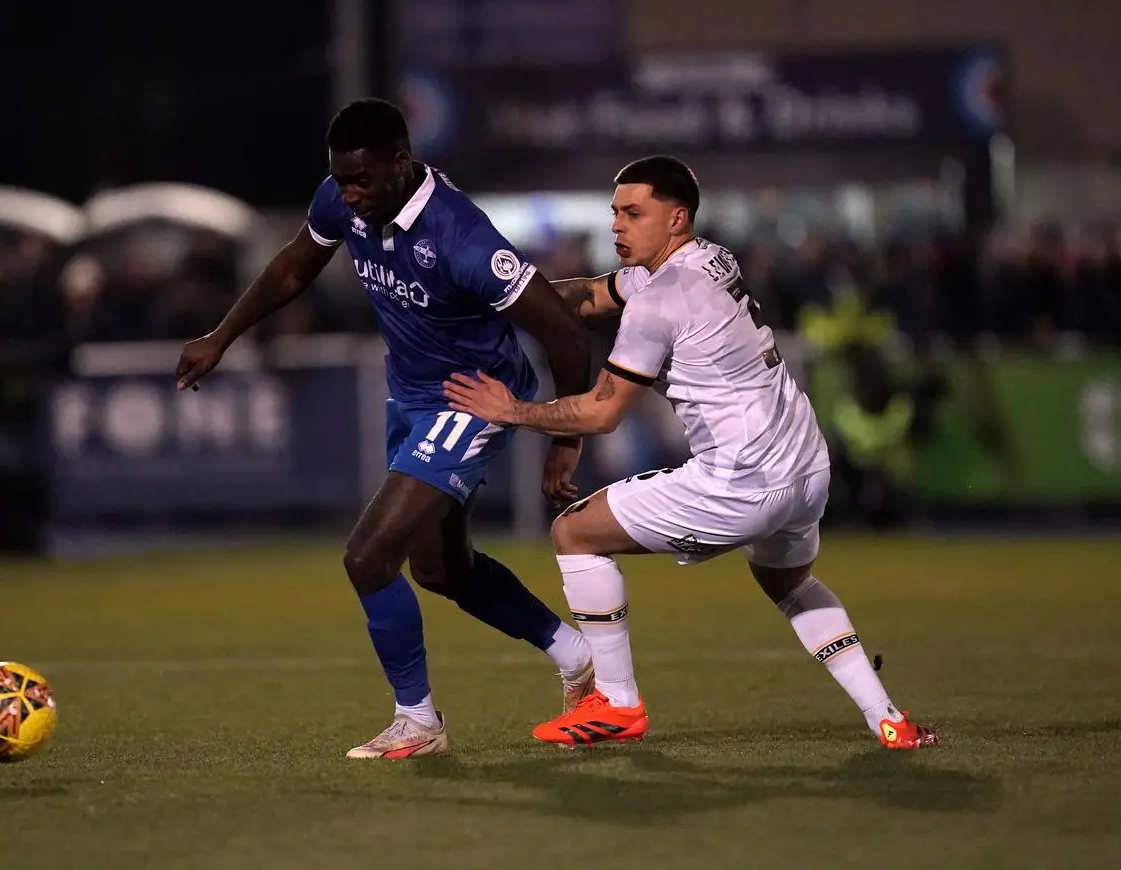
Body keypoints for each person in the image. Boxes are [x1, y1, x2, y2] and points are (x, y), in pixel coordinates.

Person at [443, 155, 938, 751]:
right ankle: (887, 717)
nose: (617, 226)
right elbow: (593, 296)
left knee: (574, 533)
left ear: (675, 218)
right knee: (789, 582)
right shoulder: (707, 259)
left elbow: (602, 411)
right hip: (806, 465)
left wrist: (511, 410)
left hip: (743, 480)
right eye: (614, 214)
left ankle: (618, 704)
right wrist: (505, 295)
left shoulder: (659, 299)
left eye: (633, 213)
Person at [175, 99, 595, 759]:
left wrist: (566, 434)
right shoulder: (345, 198)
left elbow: (566, 334)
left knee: (368, 556)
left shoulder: (462, 237)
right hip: (412, 398)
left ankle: (418, 721)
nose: (349, 195)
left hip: (471, 398)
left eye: (362, 181)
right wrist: (220, 336)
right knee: (439, 568)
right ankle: (578, 656)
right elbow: (292, 268)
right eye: (340, 180)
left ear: (401, 164)